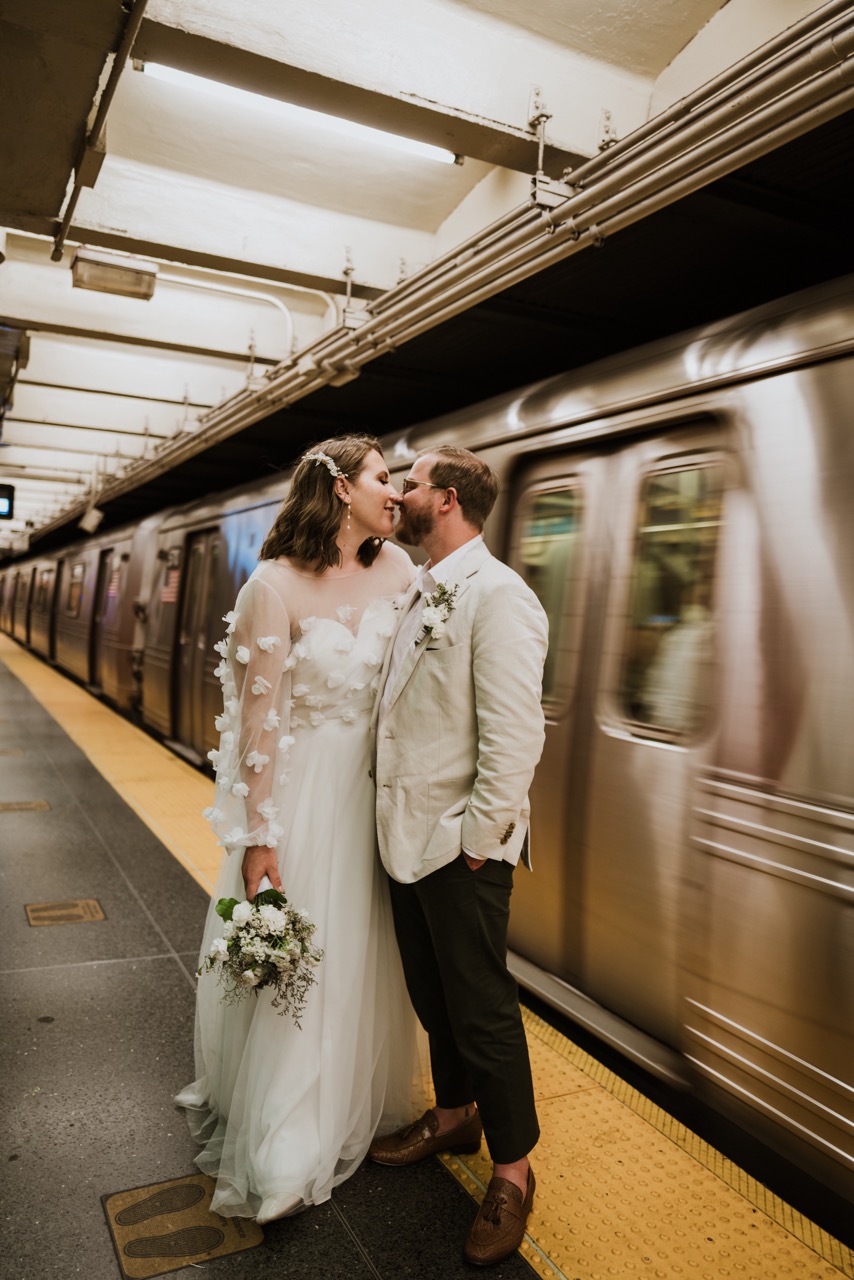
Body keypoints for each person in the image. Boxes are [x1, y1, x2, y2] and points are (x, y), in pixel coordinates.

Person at [176, 435, 426, 1223]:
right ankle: (285, 1141)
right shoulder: (273, 587)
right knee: (308, 953)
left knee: (367, 952)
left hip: (378, 795)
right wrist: (260, 840)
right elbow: (257, 728)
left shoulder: (401, 571)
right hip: (308, 794)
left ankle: (357, 1095)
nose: (400, 493)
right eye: (386, 479)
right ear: (342, 490)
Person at [369, 446, 548, 1267]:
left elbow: (514, 738)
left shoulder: (499, 596)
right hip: (406, 837)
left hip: (458, 846)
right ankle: (453, 1118)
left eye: (408, 484)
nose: (398, 494)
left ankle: (511, 1171)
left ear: (443, 500)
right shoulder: (420, 588)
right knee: (432, 990)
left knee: (482, 1008)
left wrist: (477, 846)